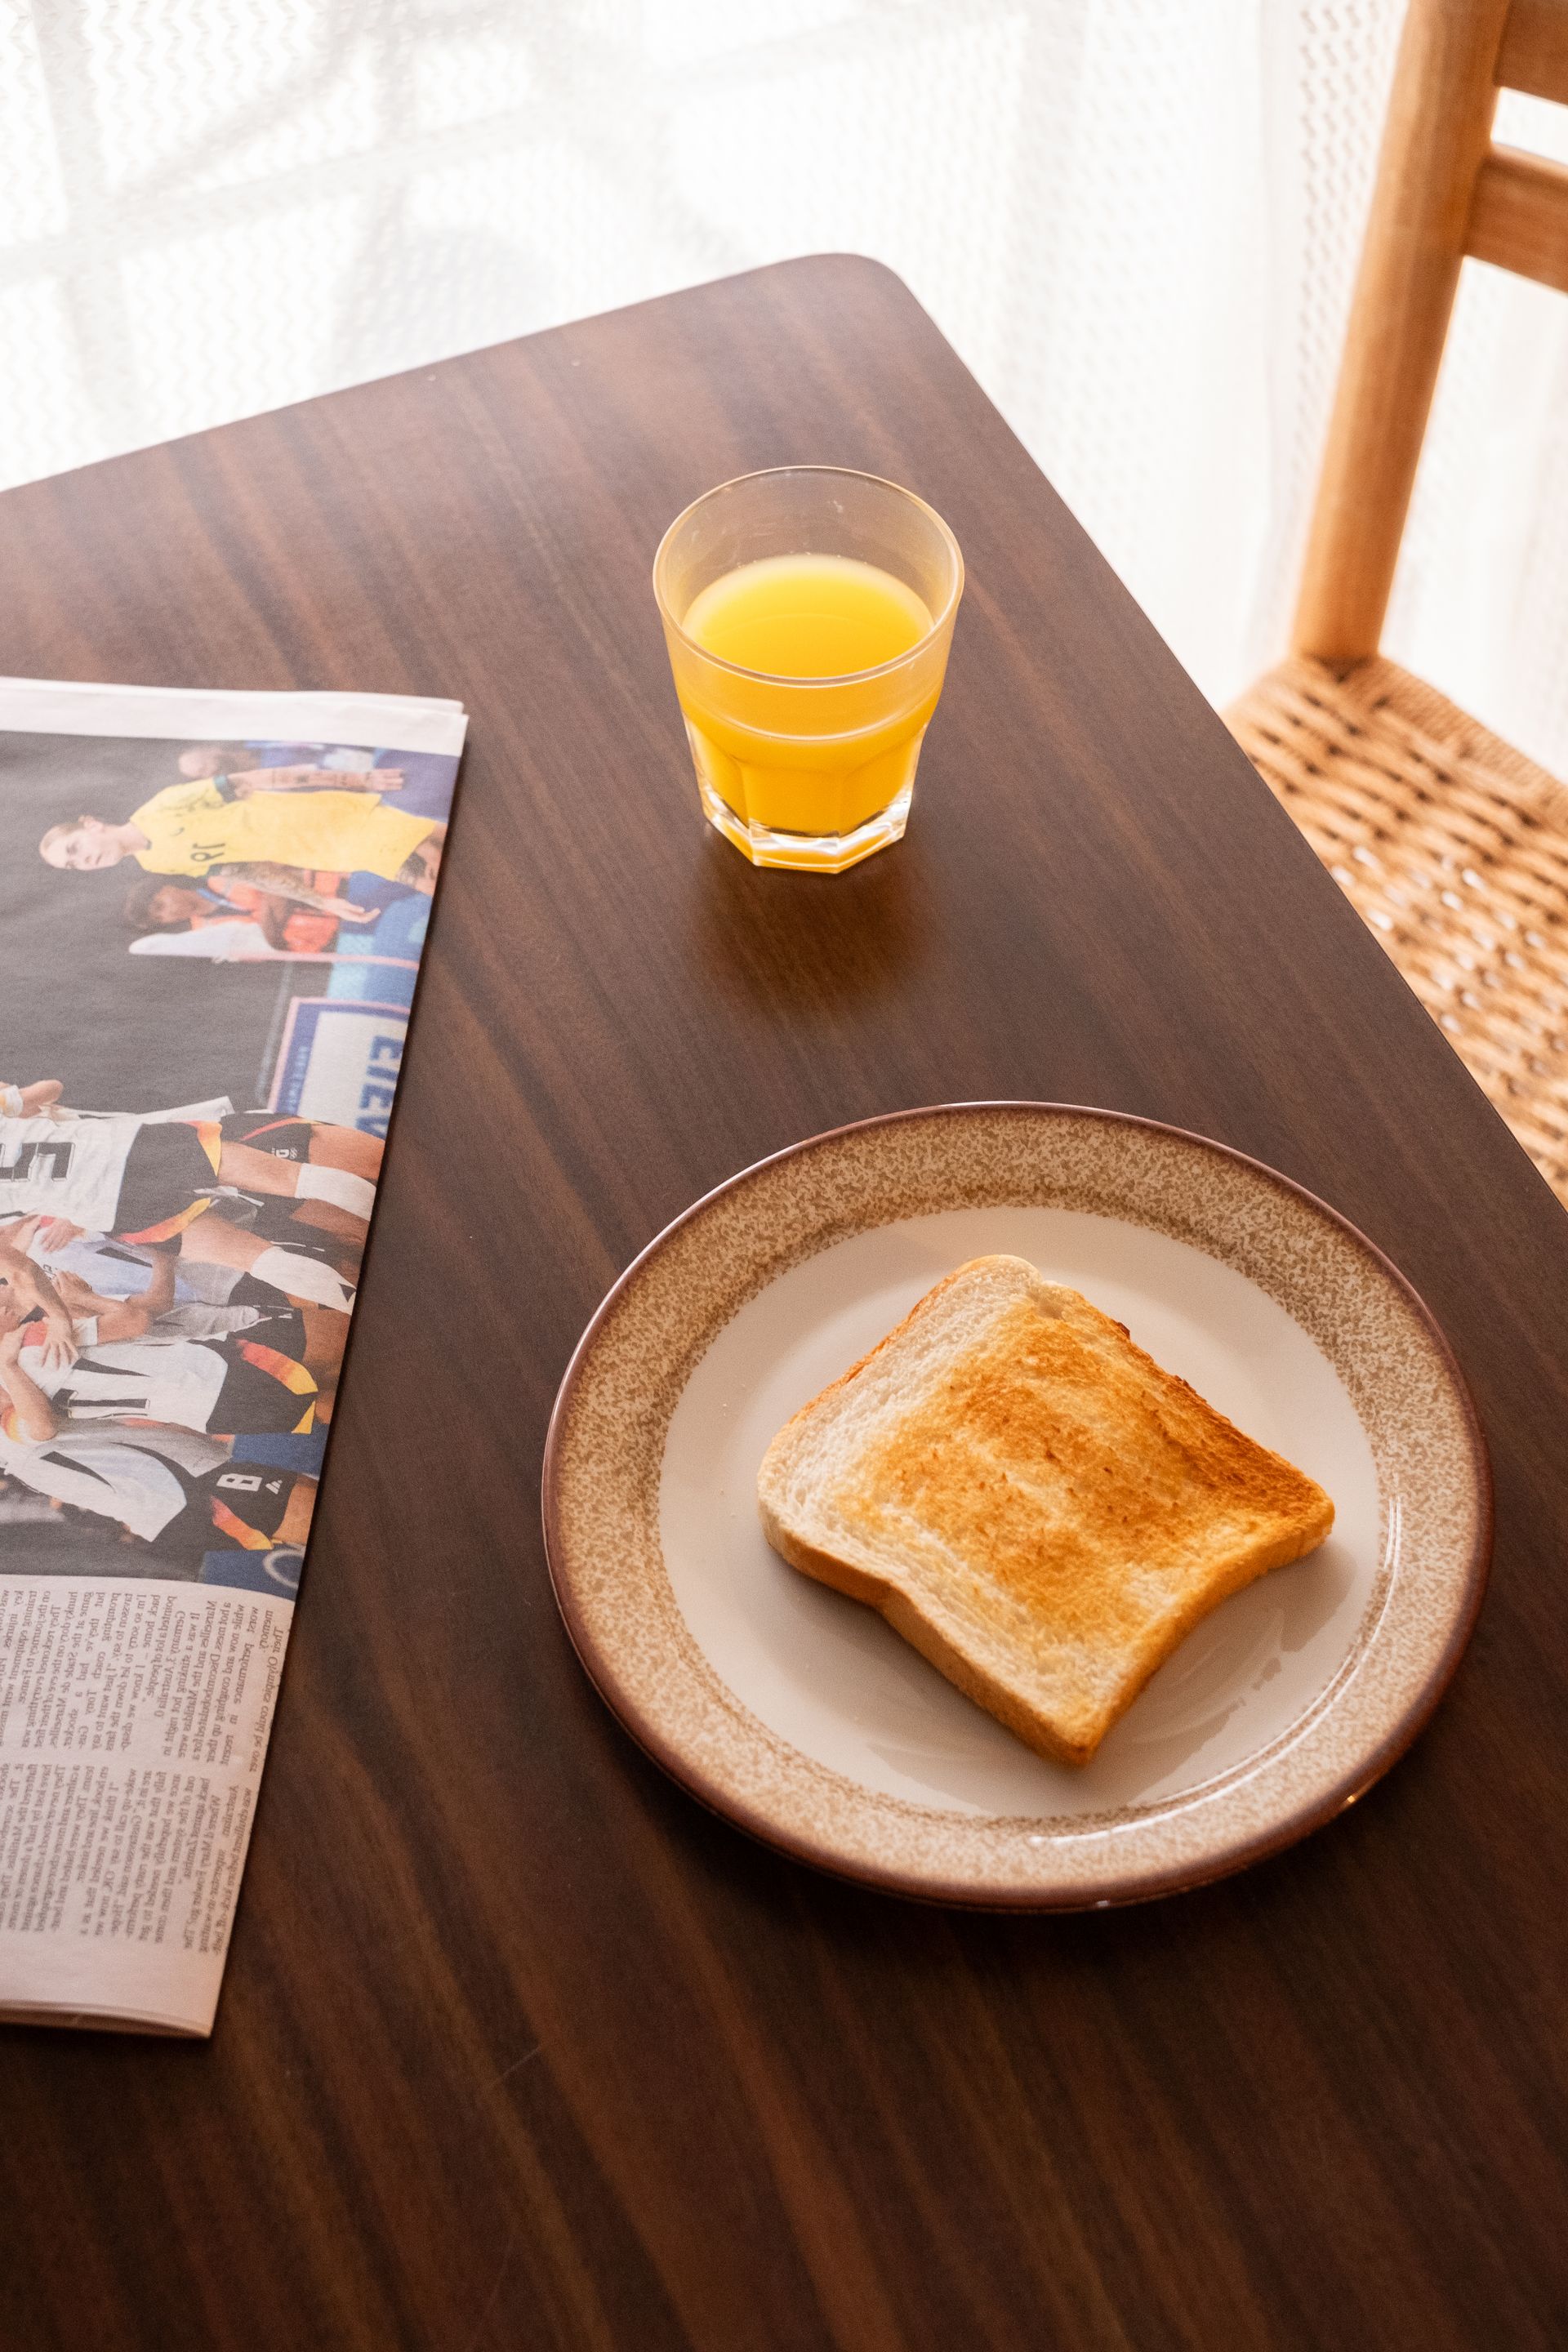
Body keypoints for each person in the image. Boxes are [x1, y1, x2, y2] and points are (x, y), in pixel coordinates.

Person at [0, 1080, 374, 1311]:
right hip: (130, 1147)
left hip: (108, 1209)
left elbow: (18, 1263)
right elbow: (50, 1088)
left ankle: (356, 1306)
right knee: (296, 1179)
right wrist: (15, 1103)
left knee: (255, 1259)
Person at [40, 765, 444, 894]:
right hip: (324, 852)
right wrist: (321, 902)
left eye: (74, 848)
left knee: (433, 868)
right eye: (72, 867)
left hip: (327, 818)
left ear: (91, 825)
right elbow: (244, 872)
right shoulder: (154, 865)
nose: (84, 861)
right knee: (437, 856)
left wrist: (352, 778)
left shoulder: (163, 804)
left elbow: (256, 777)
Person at [0, 1294, 317, 1440]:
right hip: (211, 1367)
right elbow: (135, 1321)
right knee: (334, 1348)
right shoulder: (30, 1339)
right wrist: (82, 1297)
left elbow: (42, 1430)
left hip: (200, 1414)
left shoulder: (14, 1397)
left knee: (321, 1410)